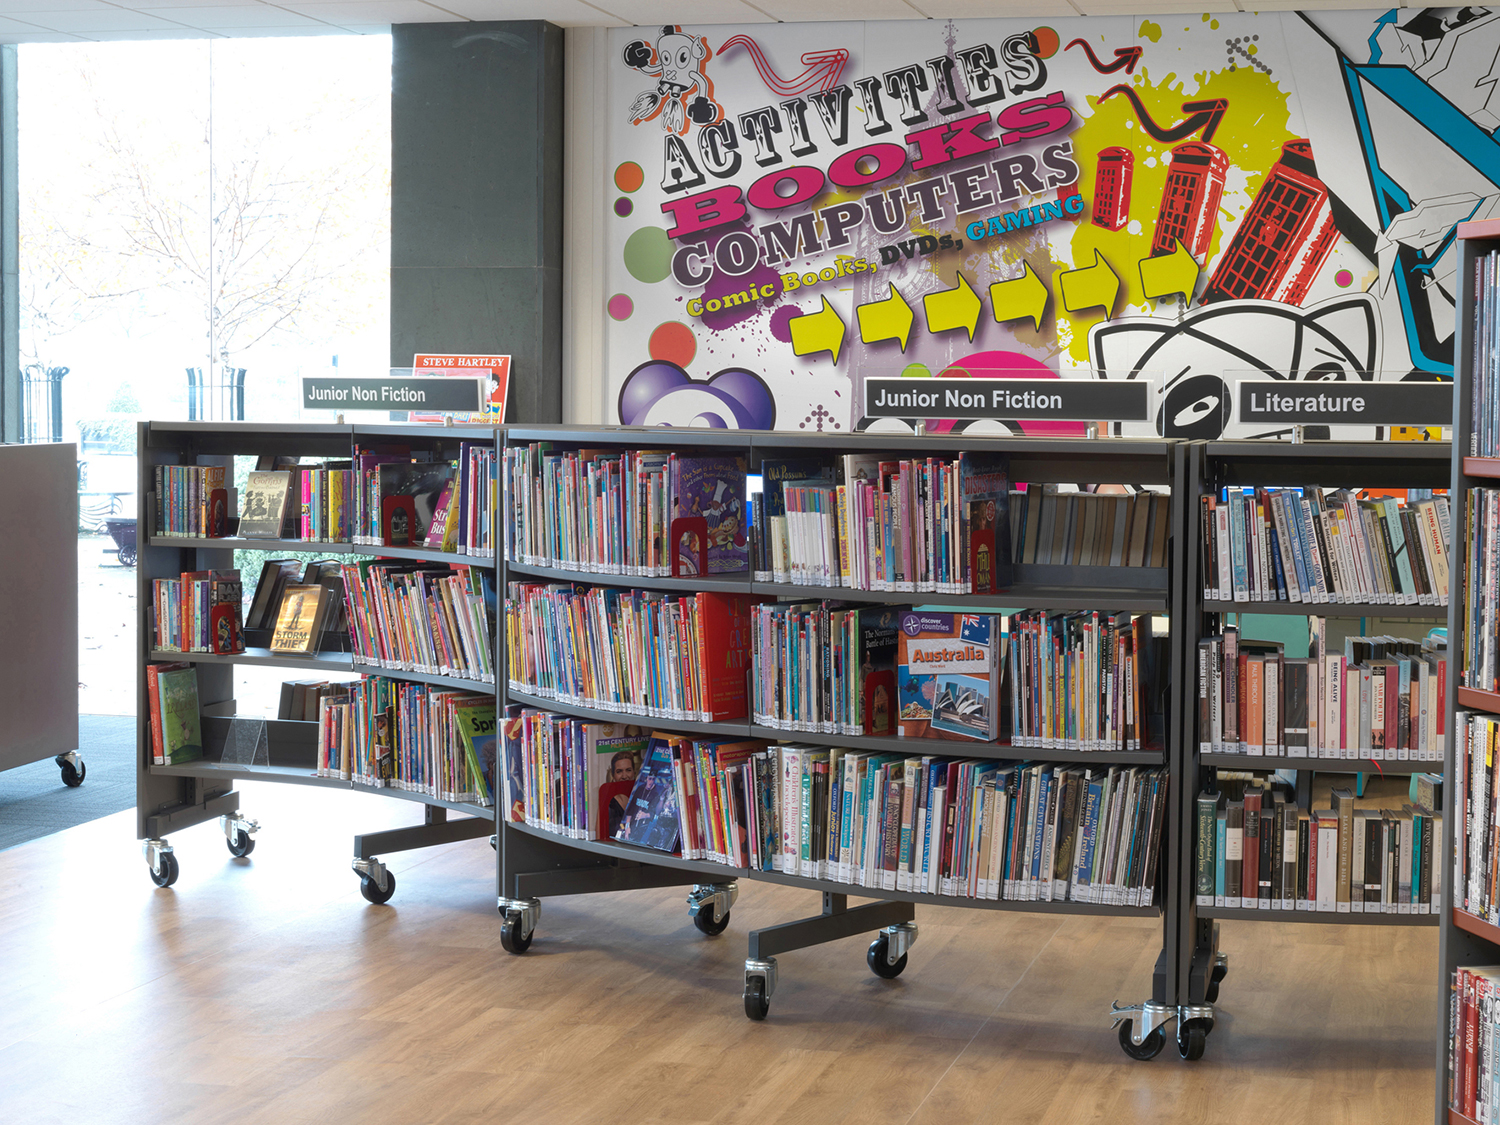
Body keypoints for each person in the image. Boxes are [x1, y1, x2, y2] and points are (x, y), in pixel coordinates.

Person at [605, 750, 637, 838]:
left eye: (628, 770)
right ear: (613, 775)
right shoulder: (609, 802)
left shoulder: (640, 796)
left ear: (634, 772)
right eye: (619, 771)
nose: (624, 776)